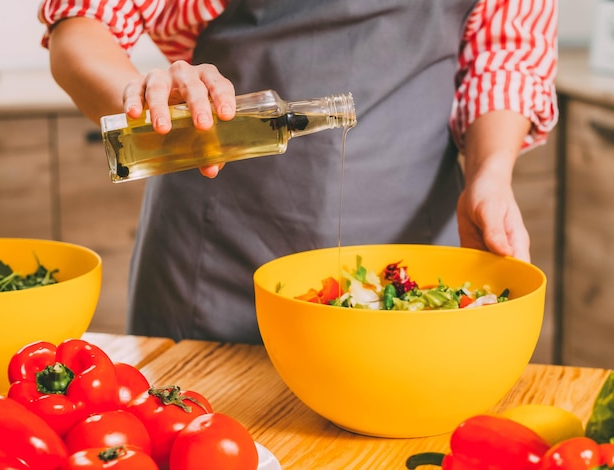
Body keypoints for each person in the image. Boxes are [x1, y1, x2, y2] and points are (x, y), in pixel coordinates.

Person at [38, 0, 558, 343]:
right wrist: (141, 99)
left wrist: (490, 174)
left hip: (413, 242)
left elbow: (507, 54)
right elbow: (85, 23)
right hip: (215, 254)